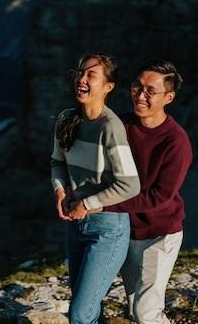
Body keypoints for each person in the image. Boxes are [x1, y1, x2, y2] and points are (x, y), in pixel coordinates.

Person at [50, 53, 141, 324]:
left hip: (108, 229)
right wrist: (60, 191)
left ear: (108, 87)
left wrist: (86, 204)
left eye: (91, 75)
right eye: (80, 72)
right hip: (76, 225)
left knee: (80, 312)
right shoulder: (66, 119)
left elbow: (130, 185)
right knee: (89, 308)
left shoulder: (110, 127)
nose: (82, 79)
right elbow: (57, 162)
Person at [106, 61, 192, 324]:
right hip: (126, 230)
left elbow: (159, 197)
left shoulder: (176, 142)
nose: (140, 95)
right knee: (135, 308)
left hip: (160, 234)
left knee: (146, 312)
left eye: (150, 91)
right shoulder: (120, 124)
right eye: (137, 86)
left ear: (169, 97)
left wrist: (103, 205)